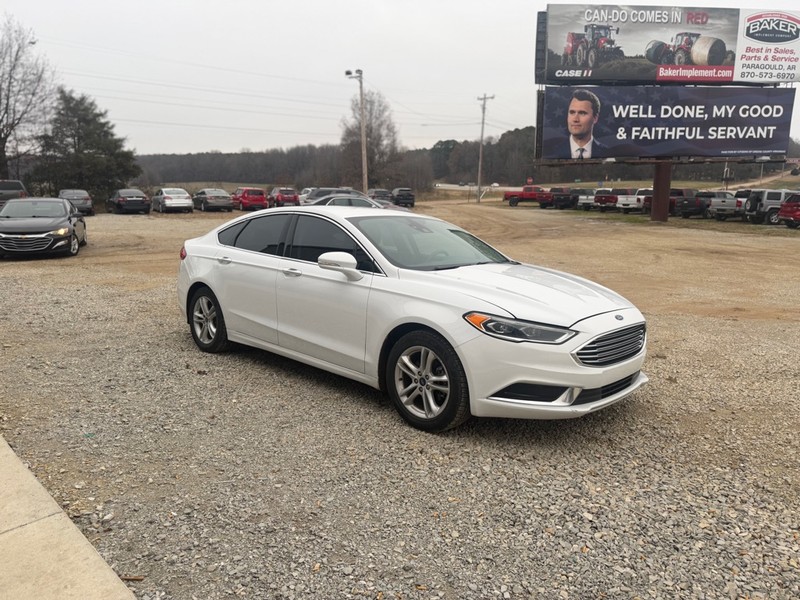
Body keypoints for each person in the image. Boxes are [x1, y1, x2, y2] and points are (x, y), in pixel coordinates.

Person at [561, 88, 608, 159]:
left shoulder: (607, 153)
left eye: (582, 113)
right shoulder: (551, 151)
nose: (575, 119)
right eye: (572, 112)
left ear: (595, 118)